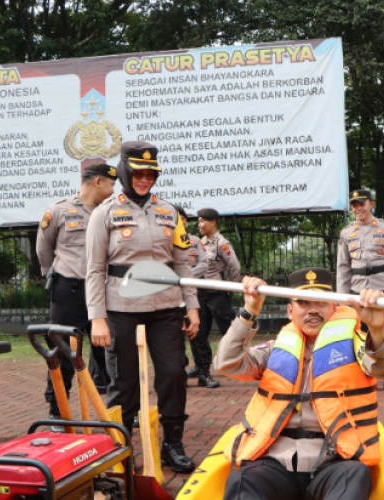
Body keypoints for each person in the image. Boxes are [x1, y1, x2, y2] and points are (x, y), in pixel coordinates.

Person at [214, 268, 384, 500]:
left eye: (321, 302)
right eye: (303, 303)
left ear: (334, 307)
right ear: (290, 311)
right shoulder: (274, 350)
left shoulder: (358, 346)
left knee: (356, 473)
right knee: (242, 479)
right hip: (274, 463)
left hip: (332, 461)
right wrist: (250, 310)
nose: (313, 309)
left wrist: (378, 328)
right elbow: (226, 363)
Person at [86, 141, 199, 473]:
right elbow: (94, 269)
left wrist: (191, 307)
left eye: (151, 173)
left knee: (174, 374)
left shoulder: (169, 212)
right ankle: (122, 447)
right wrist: (97, 319)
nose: (145, 179)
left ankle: (172, 444)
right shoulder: (104, 213)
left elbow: (182, 264)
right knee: (124, 381)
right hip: (121, 308)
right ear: (124, 171)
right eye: (138, 172)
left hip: (165, 306)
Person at [36, 163, 116, 431]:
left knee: (109, 352)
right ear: (98, 182)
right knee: (62, 353)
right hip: (67, 291)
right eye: (111, 183)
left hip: (101, 292)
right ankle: (58, 412)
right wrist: (56, 278)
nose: (114, 189)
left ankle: (119, 410)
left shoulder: (111, 211)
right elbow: (43, 250)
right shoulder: (58, 210)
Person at [337, 189, 384, 393]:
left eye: (361, 203)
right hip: (357, 287)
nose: (358, 208)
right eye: (354, 205)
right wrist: (342, 297)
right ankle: (361, 374)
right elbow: (342, 266)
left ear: (371, 204)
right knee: (358, 332)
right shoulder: (346, 233)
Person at [191, 208, 241, 388]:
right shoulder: (200, 242)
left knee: (230, 331)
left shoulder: (222, 243)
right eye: (198, 221)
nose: (200, 225)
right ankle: (201, 367)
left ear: (213, 222)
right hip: (200, 294)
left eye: (203, 221)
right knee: (199, 333)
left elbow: (234, 267)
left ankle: (240, 365)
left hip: (217, 294)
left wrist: (230, 290)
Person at [175, 206, 213, 387]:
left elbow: (204, 265)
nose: (180, 221)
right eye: (176, 218)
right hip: (172, 295)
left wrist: (184, 277)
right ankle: (178, 371)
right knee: (173, 335)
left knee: (198, 333)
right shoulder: (162, 241)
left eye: (182, 218)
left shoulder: (195, 241)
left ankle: (204, 370)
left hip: (194, 293)